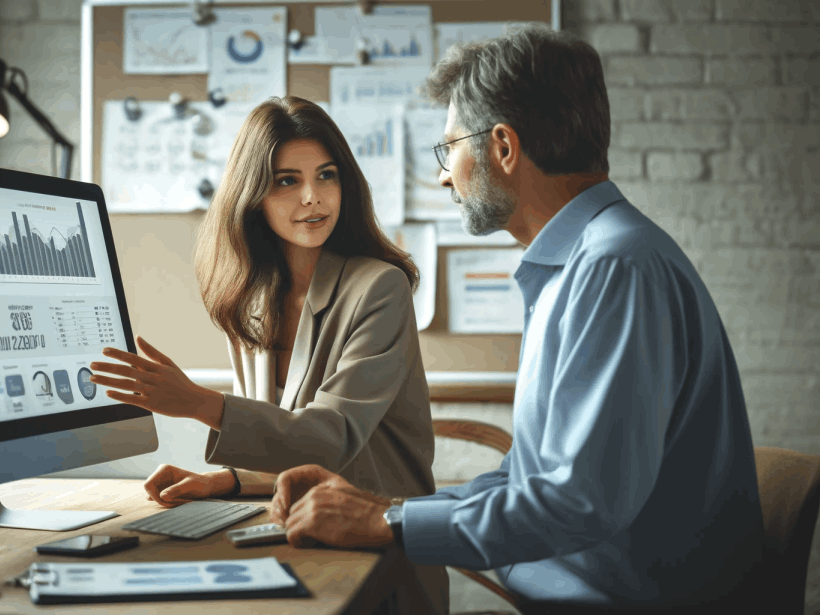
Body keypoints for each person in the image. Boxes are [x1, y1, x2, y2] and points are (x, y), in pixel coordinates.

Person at [268, 25, 765, 614]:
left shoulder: (613, 269)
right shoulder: (581, 263)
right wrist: (383, 508)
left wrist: (388, 519)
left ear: (503, 147)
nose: (444, 175)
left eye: (450, 147)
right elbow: (537, 481)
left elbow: (579, 503)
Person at [90, 96, 448, 612]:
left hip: (380, 564)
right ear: (253, 194)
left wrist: (197, 402)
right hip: (299, 546)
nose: (312, 197)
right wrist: (229, 479)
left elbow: (331, 439)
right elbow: (288, 447)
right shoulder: (252, 301)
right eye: (287, 181)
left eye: (327, 176)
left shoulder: (380, 289)